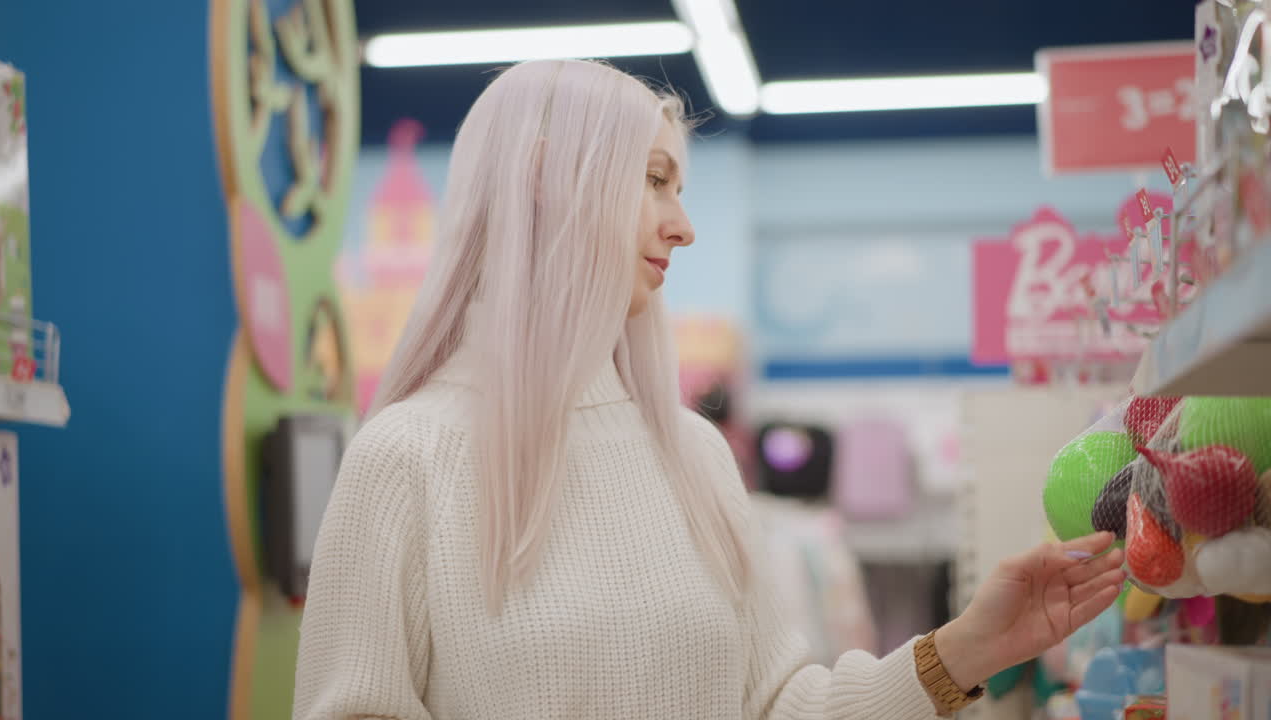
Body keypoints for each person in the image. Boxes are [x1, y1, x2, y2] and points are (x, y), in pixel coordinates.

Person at [292, 59, 1126, 720]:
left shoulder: (690, 455)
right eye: (654, 180)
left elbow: (779, 705)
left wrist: (968, 649)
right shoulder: (406, 459)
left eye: (679, 188)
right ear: (548, 182)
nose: (683, 226)